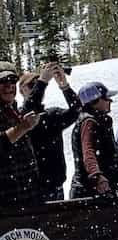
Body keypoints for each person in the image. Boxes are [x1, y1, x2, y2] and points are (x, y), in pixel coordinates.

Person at [18, 61, 81, 200]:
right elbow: (29, 110)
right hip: (33, 190)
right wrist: (42, 81)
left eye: (37, 84)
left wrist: (64, 85)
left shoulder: (51, 115)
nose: (36, 87)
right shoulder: (19, 117)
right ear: (21, 90)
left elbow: (77, 111)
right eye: (31, 85)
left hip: (56, 186)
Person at [0, 60, 41, 213]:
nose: (9, 85)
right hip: (6, 203)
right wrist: (23, 127)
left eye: (12, 81)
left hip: (28, 195)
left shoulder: (13, 109)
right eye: (2, 81)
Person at [70, 82, 118, 198]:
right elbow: (88, 151)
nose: (110, 101)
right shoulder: (89, 122)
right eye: (106, 98)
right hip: (90, 190)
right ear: (95, 101)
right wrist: (97, 176)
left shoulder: (99, 120)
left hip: (97, 187)